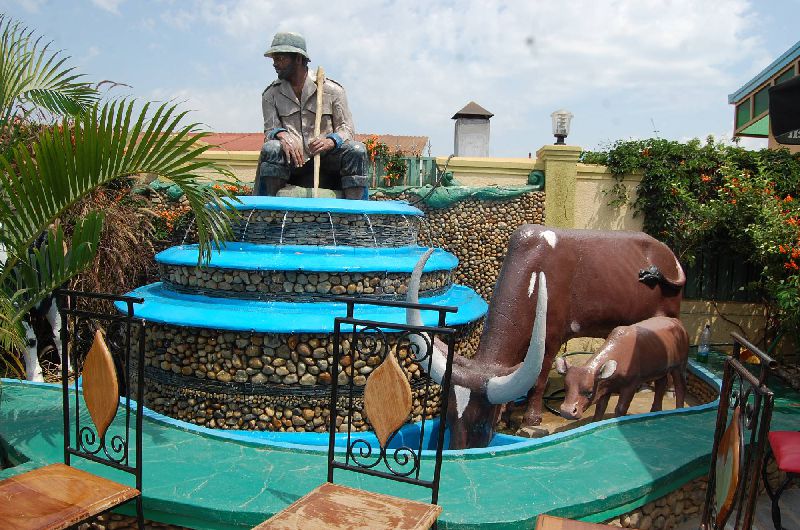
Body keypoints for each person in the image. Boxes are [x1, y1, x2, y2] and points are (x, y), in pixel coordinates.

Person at [257, 31, 368, 200]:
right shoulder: (270, 94)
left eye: (280, 58)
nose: (275, 64)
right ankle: (272, 209)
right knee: (271, 148)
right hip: (292, 162)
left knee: (357, 150)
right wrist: (281, 135)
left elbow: (347, 129)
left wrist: (331, 141)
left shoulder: (332, 90)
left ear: (298, 59)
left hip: (327, 161)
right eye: (274, 59)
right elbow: (269, 130)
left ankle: (355, 210)